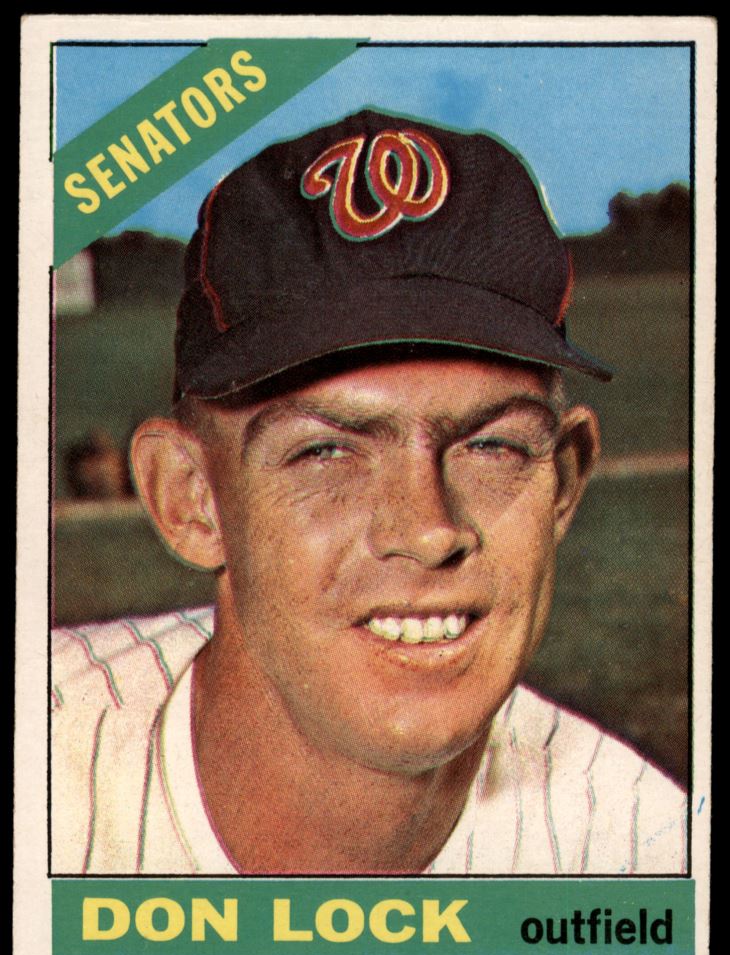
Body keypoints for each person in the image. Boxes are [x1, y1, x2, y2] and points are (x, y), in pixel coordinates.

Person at [51, 109, 686, 876]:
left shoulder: (644, 852)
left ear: (564, 482)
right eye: (325, 452)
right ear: (191, 499)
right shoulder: (41, 757)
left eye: (492, 446)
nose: (426, 529)